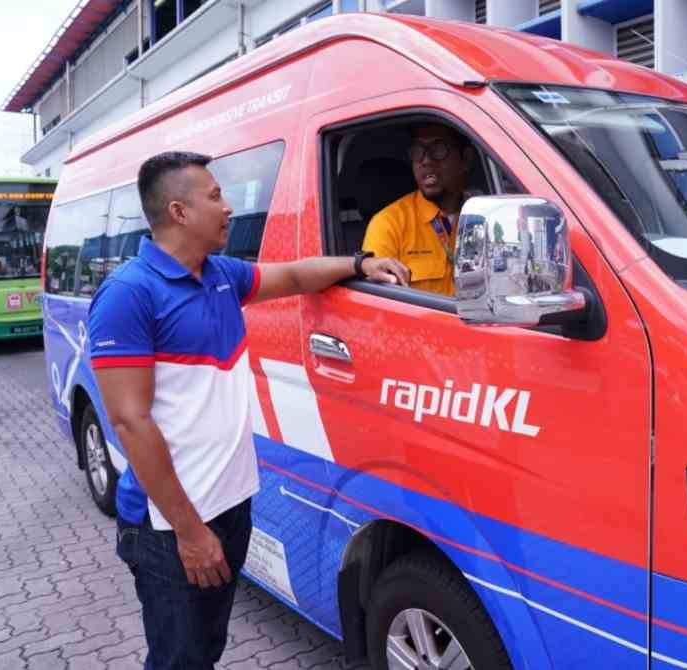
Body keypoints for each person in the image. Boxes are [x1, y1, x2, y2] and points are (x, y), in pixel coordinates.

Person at [87, 151, 408, 670]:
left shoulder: (219, 274)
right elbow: (130, 421)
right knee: (178, 659)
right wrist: (190, 533)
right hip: (170, 527)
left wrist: (359, 264)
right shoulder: (129, 294)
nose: (229, 207)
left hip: (230, 505)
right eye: (214, 196)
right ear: (179, 211)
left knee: (205, 648)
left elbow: (296, 276)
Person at [362, 122, 475, 296]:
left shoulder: (483, 216)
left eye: (438, 149)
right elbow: (378, 307)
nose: (426, 159)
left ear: (465, 159)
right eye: (418, 151)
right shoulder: (389, 224)